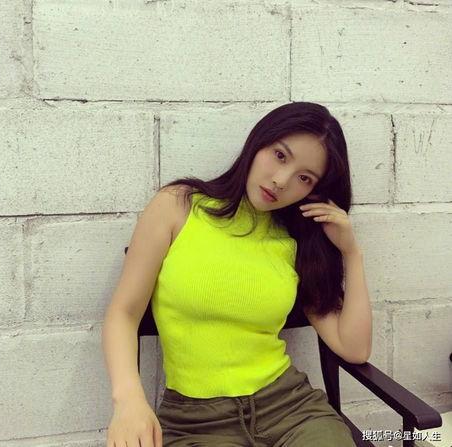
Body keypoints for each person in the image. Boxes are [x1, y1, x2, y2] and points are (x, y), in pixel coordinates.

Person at [102, 101, 372, 447]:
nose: (281, 181)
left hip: (292, 411)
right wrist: (128, 401)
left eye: (304, 178)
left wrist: (352, 253)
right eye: (280, 155)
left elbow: (354, 349)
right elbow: (123, 313)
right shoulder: (178, 206)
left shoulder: (296, 241)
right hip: (196, 423)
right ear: (258, 143)